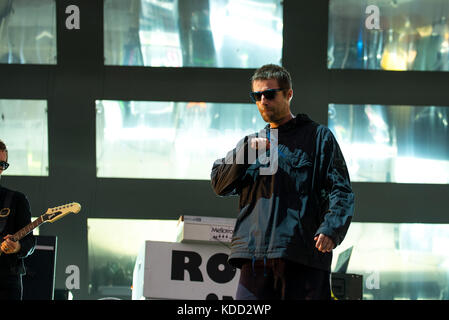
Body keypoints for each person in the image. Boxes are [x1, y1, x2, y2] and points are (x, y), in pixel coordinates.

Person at [210, 64, 354, 300]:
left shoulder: (317, 137)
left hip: (302, 256)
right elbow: (219, 184)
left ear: (289, 94)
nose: (262, 101)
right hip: (254, 259)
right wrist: (246, 153)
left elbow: (341, 190)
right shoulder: (250, 143)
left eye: (269, 94)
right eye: (256, 96)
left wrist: (331, 229)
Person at [0, 139, 36, 300]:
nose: (0, 169)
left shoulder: (16, 200)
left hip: (6, 281)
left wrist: (17, 247)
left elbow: (30, 242)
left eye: (3, 165)